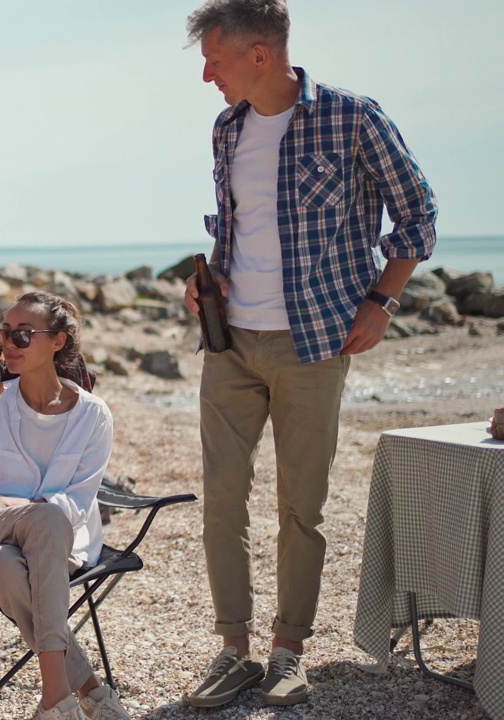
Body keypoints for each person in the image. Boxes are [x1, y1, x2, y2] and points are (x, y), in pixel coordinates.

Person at [182, 0, 437, 709]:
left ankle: (288, 650)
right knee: (222, 504)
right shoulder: (227, 129)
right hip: (229, 343)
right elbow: (237, 227)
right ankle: (232, 648)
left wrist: (381, 302)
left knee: (302, 507)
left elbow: (418, 211)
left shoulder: (354, 117)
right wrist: (211, 281)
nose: (207, 76)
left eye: (216, 59)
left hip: (315, 342)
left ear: (260, 55)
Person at [0, 291, 131, 720]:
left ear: (58, 342)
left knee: (4, 567)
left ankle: (72, 697)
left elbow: (77, 504)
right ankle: (60, 696)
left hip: (54, 545)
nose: (8, 344)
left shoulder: (93, 415)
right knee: (40, 519)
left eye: (23, 335)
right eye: (4, 333)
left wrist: (7, 502)